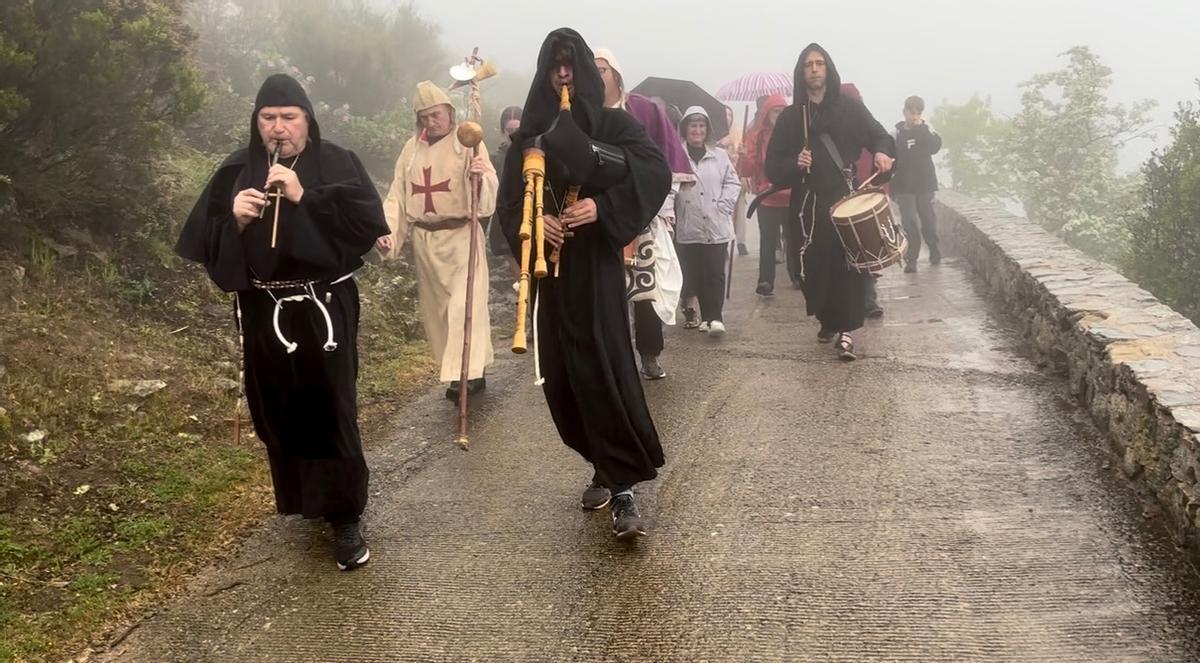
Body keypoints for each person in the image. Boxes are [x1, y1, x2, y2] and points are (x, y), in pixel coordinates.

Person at [176, 74, 388, 571]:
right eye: (268, 118)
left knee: (330, 405)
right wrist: (235, 222)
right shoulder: (235, 168)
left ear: (307, 120)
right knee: (279, 407)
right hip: (263, 308)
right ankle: (306, 500)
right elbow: (203, 242)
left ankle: (344, 516)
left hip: (322, 306)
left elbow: (366, 222)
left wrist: (303, 196)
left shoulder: (336, 161)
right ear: (256, 122)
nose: (278, 128)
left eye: (288, 118)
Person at [496, 28, 671, 538]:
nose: (564, 73)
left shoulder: (614, 125)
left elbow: (654, 172)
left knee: (601, 369)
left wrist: (604, 206)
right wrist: (534, 223)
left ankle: (622, 487)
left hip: (593, 268)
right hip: (550, 277)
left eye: (571, 64)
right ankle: (599, 459)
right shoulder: (526, 139)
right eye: (556, 65)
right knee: (563, 378)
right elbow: (510, 206)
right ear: (545, 73)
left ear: (586, 73)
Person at [766, 44, 895, 361]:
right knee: (809, 269)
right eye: (808, 64)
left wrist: (881, 152)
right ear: (801, 72)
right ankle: (827, 318)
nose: (814, 69)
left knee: (847, 266)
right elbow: (772, 166)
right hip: (808, 205)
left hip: (844, 198)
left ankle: (846, 331)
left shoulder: (850, 109)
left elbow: (880, 135)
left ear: (828, 69)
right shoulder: (792, 118)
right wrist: (796, 162)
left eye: (819, 63)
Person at [377, 81, 498, 401]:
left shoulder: (468, 141)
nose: (432, 122)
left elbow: (487, 188)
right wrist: (387, 232)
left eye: (437, 115)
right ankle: (460, 371)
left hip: (461, 237)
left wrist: (479, 177)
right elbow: (397, 196)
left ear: (449, 113)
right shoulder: (411, 149)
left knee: (464, 307)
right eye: (425, 117)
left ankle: (467, 375)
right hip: (426, 243)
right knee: (441, 313)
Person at [594, 47, 694, 380]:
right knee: (607, 292)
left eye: (603, 69)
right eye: (590, 69)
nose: (597, 76)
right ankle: (613, 358)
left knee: (646, 290)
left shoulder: (644, 110)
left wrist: (658, 208)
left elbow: (663, 164)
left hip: (643, 214)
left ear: (616, 74)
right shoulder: (582, 114)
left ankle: (650, 353)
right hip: (600, 216)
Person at [675, 106, 741, 335]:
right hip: (688, 225)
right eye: (693, 126)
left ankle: (715, 317)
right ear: (685, 129)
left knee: (715, 271)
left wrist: (723, 206)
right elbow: (668, 188)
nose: (697, 130)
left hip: (716, 223)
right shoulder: (676, 156)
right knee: (695, 272)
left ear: (707, 129)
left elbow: (733, 183)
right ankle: (705, 316)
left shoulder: (720, 156)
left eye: (701, 126)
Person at [738, 94, 792, 296]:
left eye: (782, 111)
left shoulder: (793, 134)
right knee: (768, 241)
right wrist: (743, 158)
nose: (778, 115)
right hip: (767, 196)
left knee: (793, 239)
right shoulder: (756, 136)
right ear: (767, 113)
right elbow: (748, 170)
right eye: (775, 111)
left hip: (790, 195)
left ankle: (797, 275)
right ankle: (766, 281)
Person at [841, 82, 886, 318]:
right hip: (849, 192)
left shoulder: (866, 127)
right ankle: (864, 302)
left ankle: (868, 301)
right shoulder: (845, 129)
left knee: (865, 248)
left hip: (863, 193)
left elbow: (882, 157)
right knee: (858, 249)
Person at [892, 95, 943, 273]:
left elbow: (935, 147)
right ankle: (911, 258)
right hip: (904, 186)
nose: (914, 116)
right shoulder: (896, 134)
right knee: (909, 222)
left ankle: (933, 247)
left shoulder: (926, 130)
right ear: (904, 112)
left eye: (918, 113)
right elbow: (889, 158)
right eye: (911, 112)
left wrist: (921, 128)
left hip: (925, 184)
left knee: (928, 219)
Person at [488, 105, 523, 276]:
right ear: (503, 130)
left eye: (518, 129)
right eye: (510, 129)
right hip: (504, 221)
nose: (514, 133)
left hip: (531, 217)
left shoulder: (535, 153)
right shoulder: (495, 158)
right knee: (520, 272)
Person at [717, 105, 750, 257]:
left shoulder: (738, 133)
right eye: (724, 115)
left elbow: (744, 156)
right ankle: (725, 242)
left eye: (730, 115)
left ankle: (741, 241)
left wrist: (742, 153)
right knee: (725, 212)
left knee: (740, 212)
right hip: (720, 180)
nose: (727, 117)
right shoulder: (715, 134)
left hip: (738, 175)